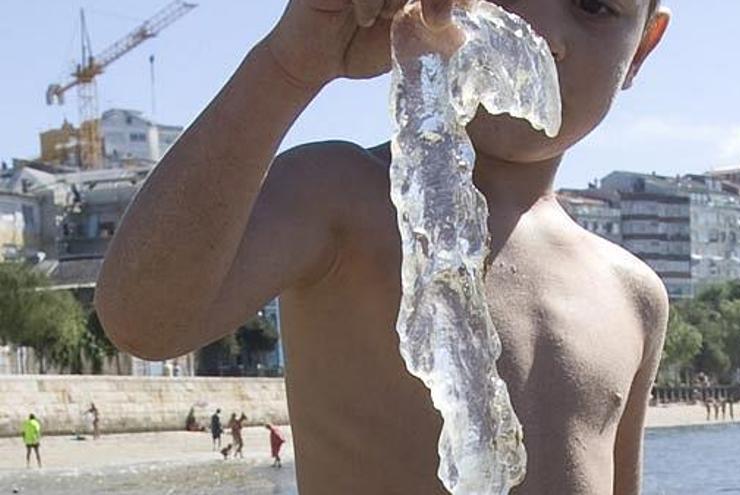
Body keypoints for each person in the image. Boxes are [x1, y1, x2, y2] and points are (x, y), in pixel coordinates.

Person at [95, 0, 672, 493]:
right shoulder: (338, 196)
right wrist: (291, 64)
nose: (543, 32)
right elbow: (142, 319)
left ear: (643, 48)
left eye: (594, 5)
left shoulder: (634, 295)